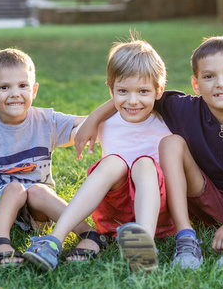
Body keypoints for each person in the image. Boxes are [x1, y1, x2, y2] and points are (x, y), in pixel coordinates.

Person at [76, 36, 223, 270]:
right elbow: (139, 93)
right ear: (196, 84)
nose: (220, 84)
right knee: (171, 143)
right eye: (209, 76)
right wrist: (94, 117)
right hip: (208, 203)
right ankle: (185, 237)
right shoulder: (184, 108)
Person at [22, 38, 174, 273]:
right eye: (122, 91)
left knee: (144, 163)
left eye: (143, 91)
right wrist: (93, 119)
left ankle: (144, 245)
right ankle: (54, 241)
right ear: (110, 89)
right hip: (115, 218)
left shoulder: (169, 122)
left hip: (159, 216)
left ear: (159, 90)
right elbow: (61, 133)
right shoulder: (104, 124)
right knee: (113, 162)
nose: (132, 101)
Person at [0, 48, 106, 267]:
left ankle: (88, 234)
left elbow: (86, 122)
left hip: (38, 211)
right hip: (1, 202)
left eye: (22, 86)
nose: (15, 94)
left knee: (38, 190)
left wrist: (120, 110)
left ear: (34, 89)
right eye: (4, 87)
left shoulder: (45, 120)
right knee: (15, 188)